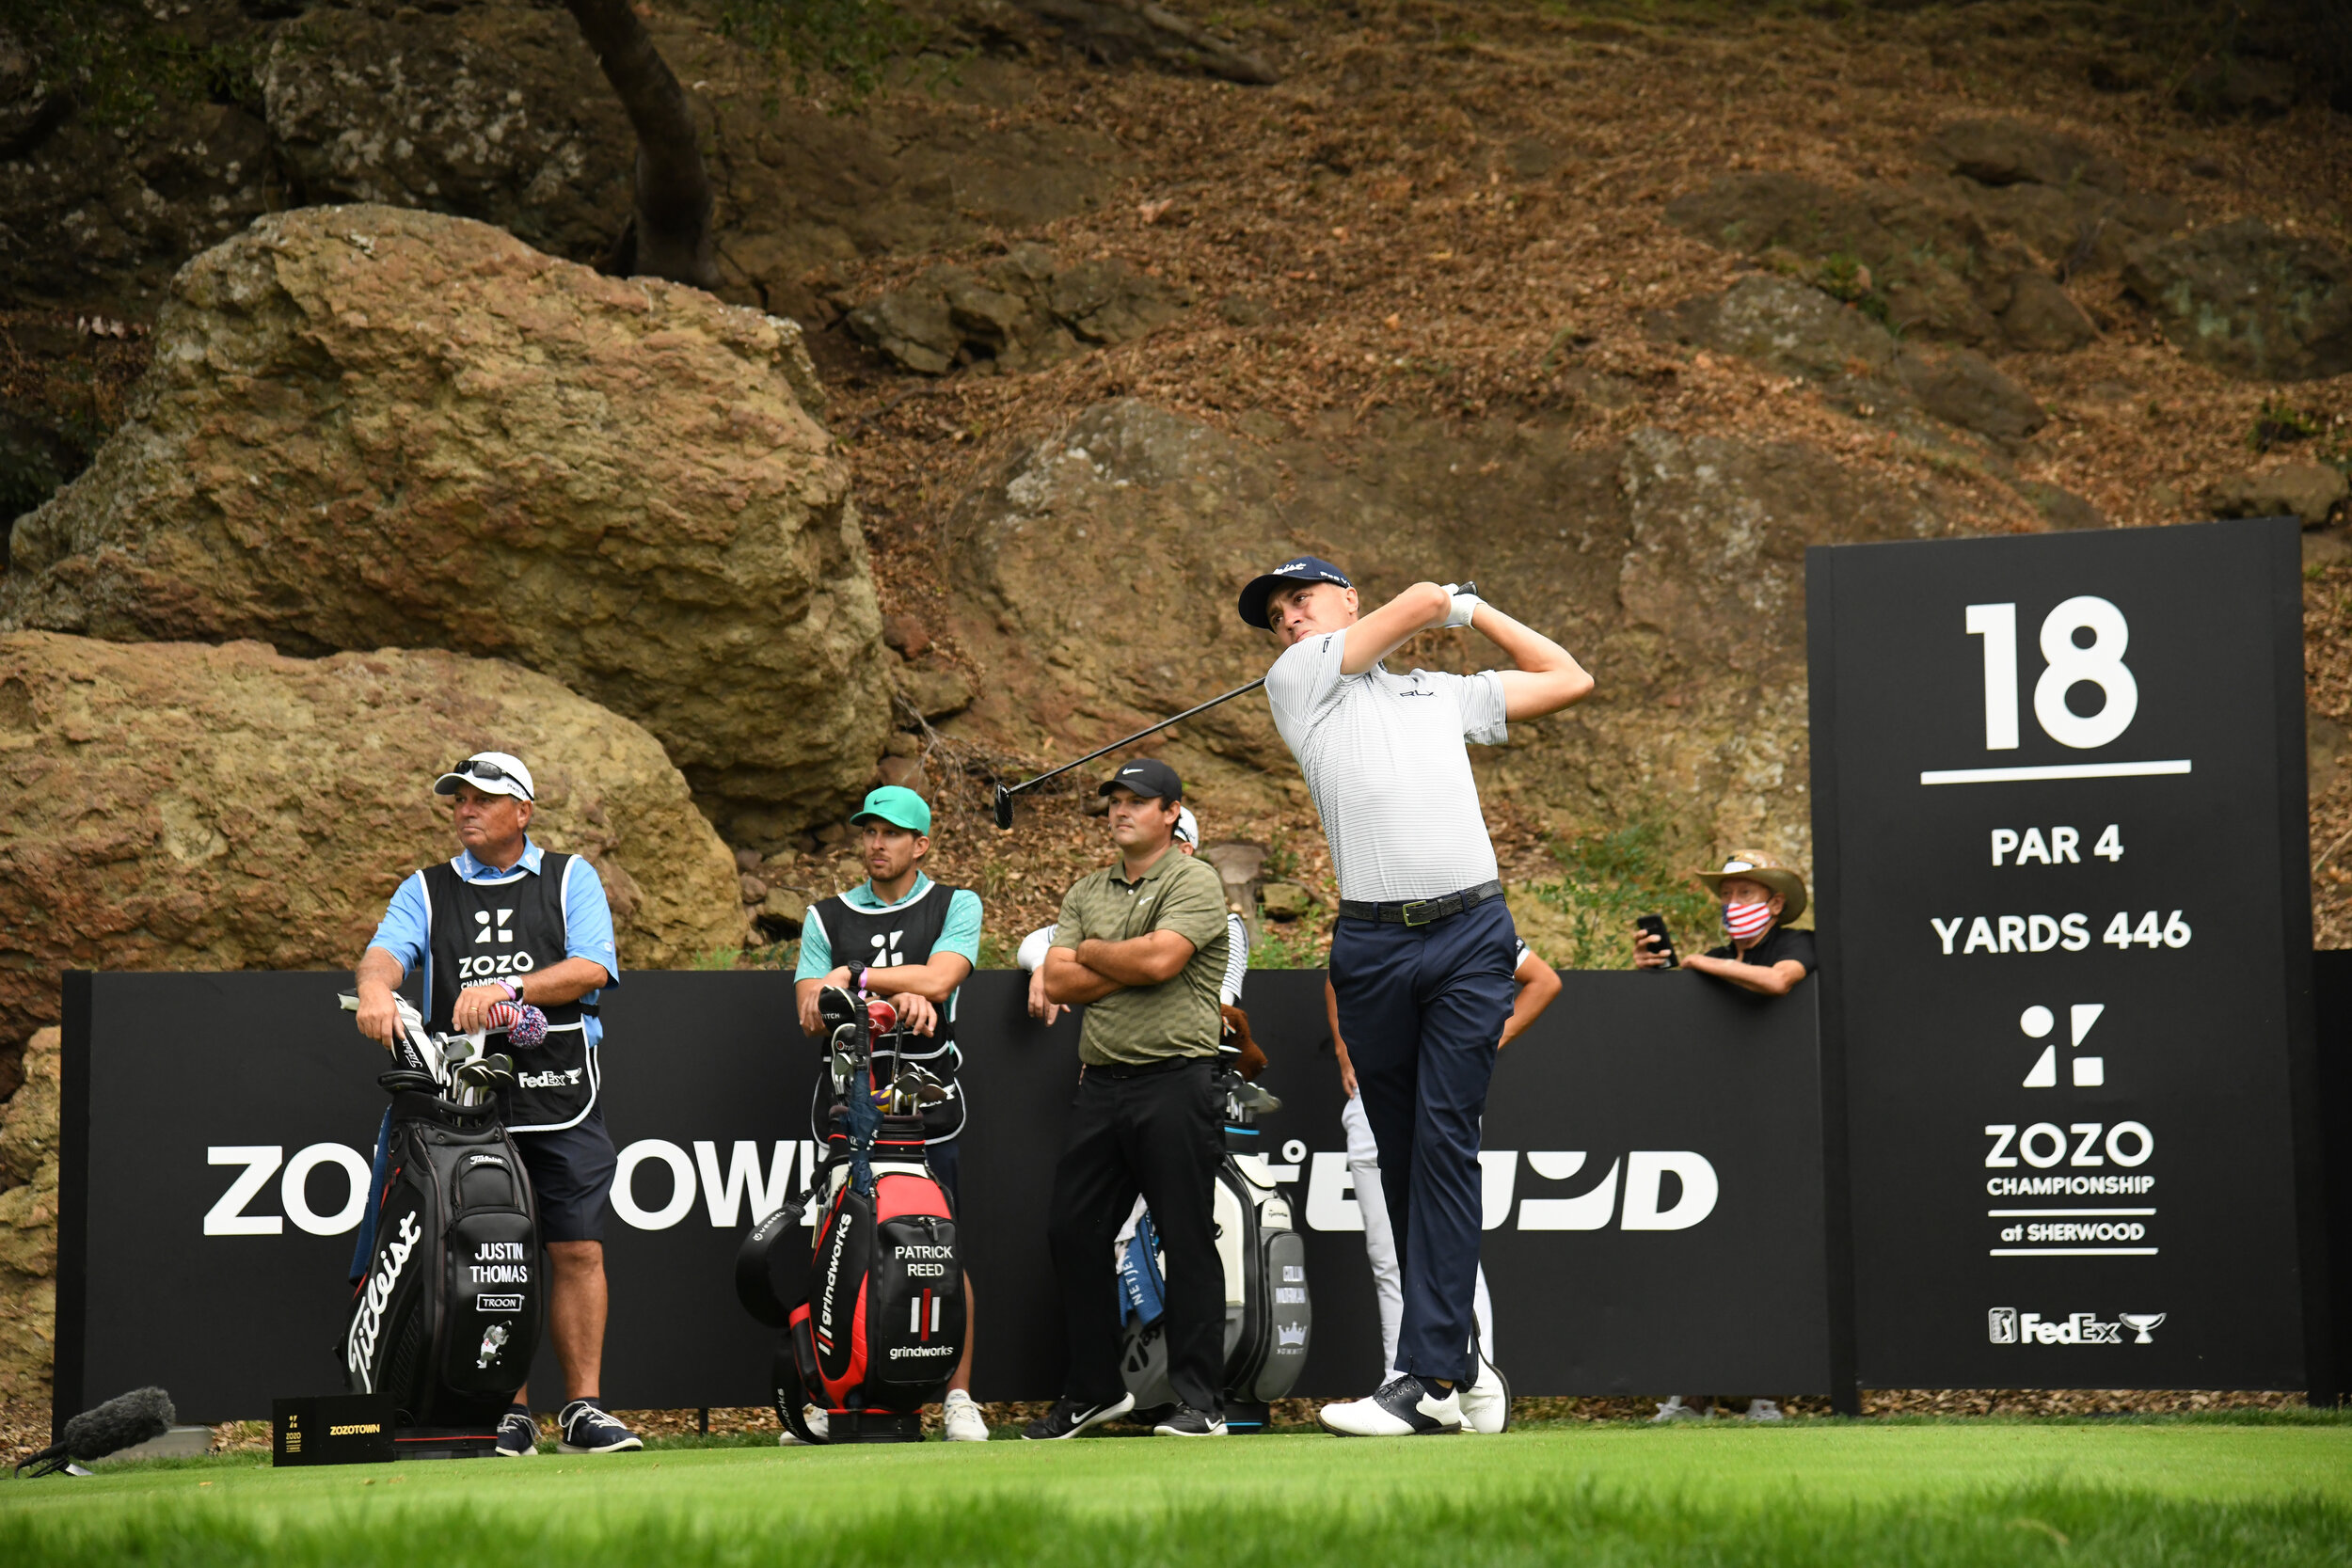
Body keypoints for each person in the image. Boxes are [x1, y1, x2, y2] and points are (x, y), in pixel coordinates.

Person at [1238, 556, 1592, 1436]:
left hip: (1474, 933)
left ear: (1347, 599)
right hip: (1372, 943)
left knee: (1443, 1139)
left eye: (1301, 600)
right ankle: (1460, 1361)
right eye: (1275, 612)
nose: (1286, 618)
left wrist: (1479, 610)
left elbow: (1568, 677)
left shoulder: (1439, 694)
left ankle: (1426, 1378)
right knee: (1400, 1162)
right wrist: (1447, 601)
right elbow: (1423, 602)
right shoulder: (1299, 680)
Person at [350, 752, 640, 1457]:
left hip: (559, 1091)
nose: (465, 810)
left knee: (575, 1247)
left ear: (523, 811)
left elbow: (592, 966)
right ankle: (506, 1410)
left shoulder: (571, 877)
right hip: (466, 1103)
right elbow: (385, 953)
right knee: (487, 1254)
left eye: (482, 798)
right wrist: (374, 990)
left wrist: (510, 988)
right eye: (458, 799)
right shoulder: (426, 886)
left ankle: (583, 1408)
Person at [1025, 759, 1234, 1440]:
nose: (1121, 810)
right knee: (1070, 1230)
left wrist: (1095, 954)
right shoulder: (1090, 887)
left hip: (1177, 1080)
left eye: (1136, 801)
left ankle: (1200, 1401)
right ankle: (1093, 1389)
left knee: (1185, 1238)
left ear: (1171, 811)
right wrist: (1121, 957)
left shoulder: (1194, 878)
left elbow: (1161, 962)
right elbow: (1057, 979)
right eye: (1114, 800)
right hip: (1103, 1084)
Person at [789, 784, 989, 1444]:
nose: (877, 843)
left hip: (929, 1101)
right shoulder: (826, 915)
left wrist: (861, 980)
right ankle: (830, 1393)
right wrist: (883, 991)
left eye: (892, 832)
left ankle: (957, 1396)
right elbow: (810, 1009)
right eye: (869, 831)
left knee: (941, 1244)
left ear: (920, 843)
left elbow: (941, 980)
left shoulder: (956, 903)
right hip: (848, 1102)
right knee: (836, 1245)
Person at [1326, 937, 1561, 1433]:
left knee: (1449, 1251)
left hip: (1438, 1093)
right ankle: (1420, 1381)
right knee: (1391, 1254)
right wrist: (1348, 1049)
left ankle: (1451, 1384)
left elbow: (1543, 979)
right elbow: (1339, 974)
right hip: (1377, 1096)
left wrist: (1473, 1046)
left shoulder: (1465, 915)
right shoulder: (1373, 912)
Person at [1634, 848, 1817, 1422]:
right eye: (1727, 895)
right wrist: (1656, 979)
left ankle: (1767, 1394)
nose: (1732, 904)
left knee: (1771, 1255)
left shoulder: (1797, 944)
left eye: (1745, 894)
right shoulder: (1710, 960)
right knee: (1698, 1260)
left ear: (1776, 902)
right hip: (1706, 1128)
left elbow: (1778, 982)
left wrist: (1699, 965)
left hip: (1783, 1127)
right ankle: (1691, 1397)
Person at [1019, 804, 1259, 1077]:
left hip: (1178, 1069)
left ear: (1185, 851)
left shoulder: (1224, 922)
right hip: (1107, 1070)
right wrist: (1043, 967)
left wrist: (1096, 957)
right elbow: (1034, 941)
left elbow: (1215, 1004)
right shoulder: (1112, 909)